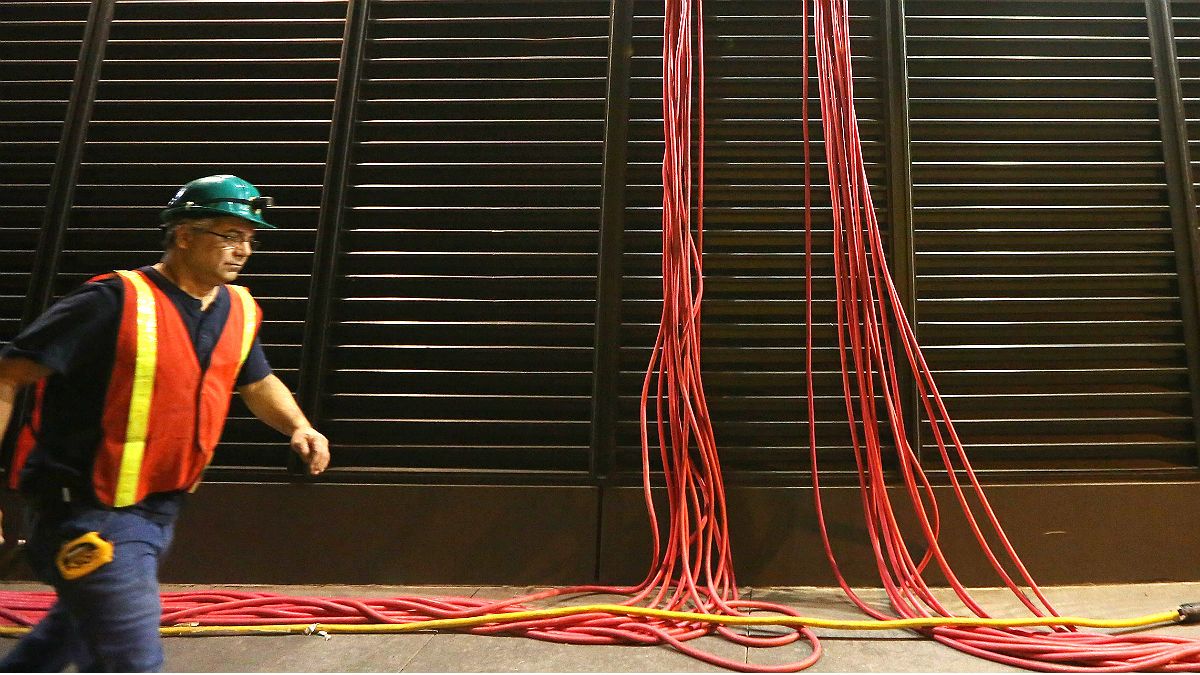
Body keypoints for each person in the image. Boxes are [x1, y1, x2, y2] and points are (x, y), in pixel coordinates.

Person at [0, 175, 330, 672]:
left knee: (69, 635)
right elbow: (7, 375)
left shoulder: (238, 309)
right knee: (133, 657)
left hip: (157, 511)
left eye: (249, 240)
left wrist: (298, 426)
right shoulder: (112, 301)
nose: (242, 250)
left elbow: (257, 383)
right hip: (83, 512)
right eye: (229, 235)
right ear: (183, 235)